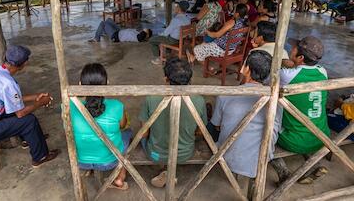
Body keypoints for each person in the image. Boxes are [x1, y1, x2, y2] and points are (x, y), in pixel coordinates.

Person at [207, 51, 281, 184]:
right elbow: (277, 127)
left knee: (211, 125)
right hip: (264, 156)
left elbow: (216, 125)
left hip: (230, 156)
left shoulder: (225, 95)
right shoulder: (276, 99)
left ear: (245, 69)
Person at [139, 58, 207, 188]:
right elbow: (200, 132)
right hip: (185, 153)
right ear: (190, 79)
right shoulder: (199, 100)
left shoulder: (151, 98)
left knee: (142, 136)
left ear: (166, 79)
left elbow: (144, 134)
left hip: (156, 154)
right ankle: (171, 172)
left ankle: (165, 170)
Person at [272, 36, 329, 185]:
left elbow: (272, 75)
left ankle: (284, 174)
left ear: (301, 57)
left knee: (262, 132)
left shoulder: (286, 75)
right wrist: (293, 64)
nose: (292, 49)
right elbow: (299, 70)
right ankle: (313, 165)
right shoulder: (323, 71)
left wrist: (283, 63)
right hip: (321, 135)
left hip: (294, 141)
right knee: (305, 128)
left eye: (295, 48)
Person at [70, 63, 131, 190]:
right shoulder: (117, 106)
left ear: (80, 84)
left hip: (80, 161)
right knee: (128, 133)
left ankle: (90, 170)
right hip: (108, 162)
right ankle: (120, 178)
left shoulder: (68, 105)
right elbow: (122, 126)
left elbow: (68, 128)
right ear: (107, 84)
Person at [150, 1, 191, 65]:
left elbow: (165, 33)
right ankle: (168, 54)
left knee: (152, 40)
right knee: (168, 37)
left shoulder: (176, 19)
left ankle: (159, 59)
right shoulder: (188, 18)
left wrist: (159, 35)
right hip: (181, 40)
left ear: (179, 8)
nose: (175, 8)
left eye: (176, 6)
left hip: (173, 41)